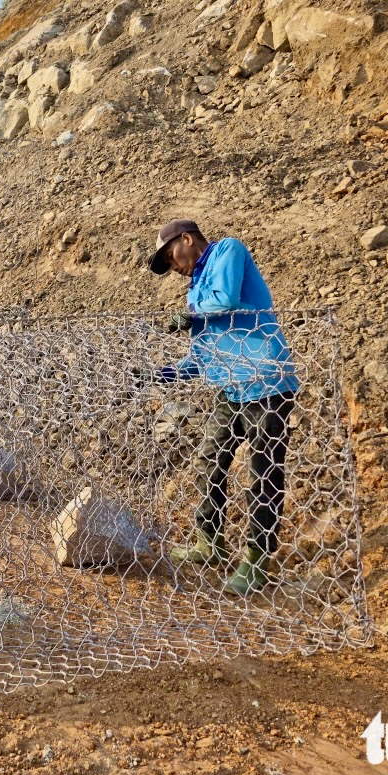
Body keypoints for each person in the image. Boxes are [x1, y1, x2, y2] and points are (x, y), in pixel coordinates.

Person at [146, 219, 299, 595]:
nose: (174, 267)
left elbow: (227, 301)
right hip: (230, 388)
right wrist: (163, 374)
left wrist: (192, 313)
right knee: (210, 459)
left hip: (266, 382)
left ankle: (256, 561)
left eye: (171, 257)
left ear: (186, 239)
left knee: (262, 474)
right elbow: (203, 356)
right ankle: (210, 543)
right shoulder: (196, 289)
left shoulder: (228, 250)